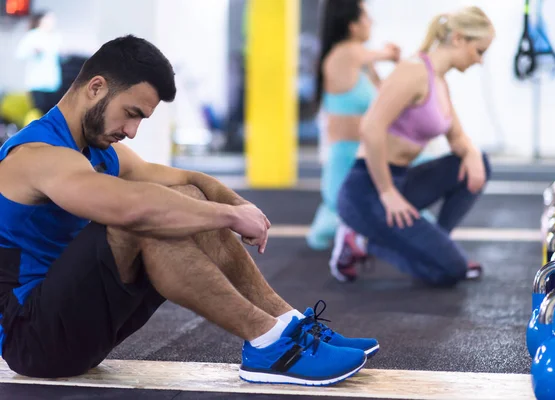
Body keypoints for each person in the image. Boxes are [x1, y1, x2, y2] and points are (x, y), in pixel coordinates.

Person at [0, 35, 379, 386]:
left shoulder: (100, 150)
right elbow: (132, 209)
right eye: (130, 113)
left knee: (185, 196)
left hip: (82, 329)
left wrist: (237, 203)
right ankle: (267, 342)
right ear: (96, 87)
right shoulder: (38, 156)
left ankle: (289, 325)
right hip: (34, 340)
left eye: (140, 120)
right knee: (144, 219)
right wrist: (229, 218)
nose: (131, 131)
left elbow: (189, 179)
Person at [329, 7, 494, 285]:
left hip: (403, 181)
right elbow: (371, 127)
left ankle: (438, 243)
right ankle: (358, 240)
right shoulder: (413, 71)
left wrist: (474, 154)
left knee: (479, 163)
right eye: (479, 51)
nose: (479, 61)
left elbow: (458, 139)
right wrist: (387, 191)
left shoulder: (439, 82)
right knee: (452, 270)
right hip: (367, 190)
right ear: (458, 39)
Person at [306, 0, 400, 251]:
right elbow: (374, 54)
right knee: (337, 216)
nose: (372, 23)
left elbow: (386, 95)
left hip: (368, 154)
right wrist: (390, 54)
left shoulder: (363, 63)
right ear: (352, 26)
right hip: (344, 155)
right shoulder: (344, 53)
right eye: (366, 17)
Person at [15, 11, 62, 114]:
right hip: (37, 82)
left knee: (51, 112)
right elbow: (20, 54)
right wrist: (33, 51)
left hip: (52, 83)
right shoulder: (32, 36)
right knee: (39, 112)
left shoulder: (55, 37)